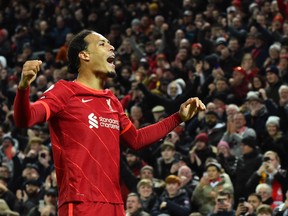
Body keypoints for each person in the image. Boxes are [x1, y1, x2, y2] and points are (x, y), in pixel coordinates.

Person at [13, 29, 206, 216]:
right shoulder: (65, 91)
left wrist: (178, 117)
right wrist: (23, 88)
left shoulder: (112, 101)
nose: (112, 47)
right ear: (85, 55)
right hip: (81, 202)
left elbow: (137, 139)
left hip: (114, 203)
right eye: (103, 44)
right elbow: (25, 119)